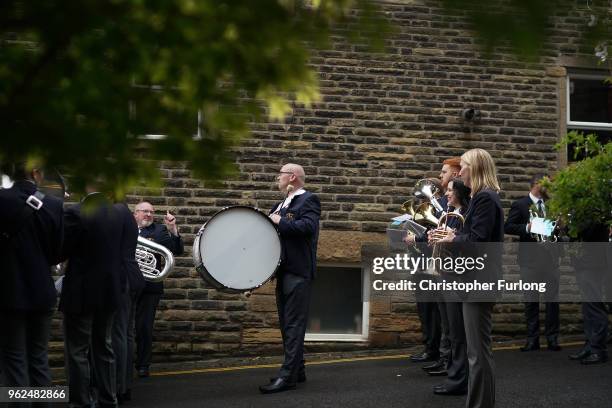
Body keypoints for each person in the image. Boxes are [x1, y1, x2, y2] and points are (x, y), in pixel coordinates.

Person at [439, 148, 504, 408]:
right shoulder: (481, 197)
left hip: (480, 281)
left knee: (478, 354)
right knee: (476, 352)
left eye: (463, 166)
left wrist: (453, 238)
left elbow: (479, 241)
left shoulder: (485, 198)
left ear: (475, 168)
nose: (460, 171)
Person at [60, 190, 135, 407]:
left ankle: (81, 402)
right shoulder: (121, 213)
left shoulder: (76, 211)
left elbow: (62, 250)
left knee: (77, 351)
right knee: (105, 346)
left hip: (81, 292)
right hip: (111, 290)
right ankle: (108, 400)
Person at [0, 163, 64, 393]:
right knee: (39, 359)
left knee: (15, 360)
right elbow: (58, 252)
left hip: (9, 292)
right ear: (36, 173)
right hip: (42, 292)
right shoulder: (55, 204)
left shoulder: (2, 199)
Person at [259, 163, 321, 394]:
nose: (277, 179)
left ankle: (288, 377)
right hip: (283, 271)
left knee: (294, 325)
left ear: (292, 177)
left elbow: (307, 227)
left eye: (280, 175)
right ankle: (298, 370)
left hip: (298, 271)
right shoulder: (280, 203)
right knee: (287, 324)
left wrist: (278, 221)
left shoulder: (309, 200)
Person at [504, 174, 561, 352]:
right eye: (546, 184)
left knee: (552, 302)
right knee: (531, 301)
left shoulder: (552, 205)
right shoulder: (520, 205)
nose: (549, 187)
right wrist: (527, 228)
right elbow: (508, 226)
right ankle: (532, 339)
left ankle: (552, 339)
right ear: (536, 185)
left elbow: (556, 231)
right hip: (529, 261)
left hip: (550, 260)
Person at [429, 178, 471, 395]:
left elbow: (463, 246)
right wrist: (434, 236)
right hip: (444, 275)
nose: (446, 194)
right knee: (450, 329)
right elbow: (446, 241)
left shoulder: (463, 215)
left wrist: (448, 239)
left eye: (450, 190)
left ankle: (459, 380)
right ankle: (454, 376)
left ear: (460, 193)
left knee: (457, 333)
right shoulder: (450, 216)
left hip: (456, 278)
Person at [134, 201, 183, 378]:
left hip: (149, 287)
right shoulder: (127, 228)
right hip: (125, 286)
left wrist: (173, 229)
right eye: (144, 211)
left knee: (144, 327)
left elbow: (176, 250)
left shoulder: (159, 231)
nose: (148, 214)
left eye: (151, 212)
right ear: (135, 213)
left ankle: (143, 364)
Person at [112, 202, 145, 403]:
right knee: (126, 334)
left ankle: (117, 387)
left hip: (121, 279)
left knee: (119, 335)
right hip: (133, 278)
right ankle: (124, 386)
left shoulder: (113, 213)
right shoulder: (126, 213)